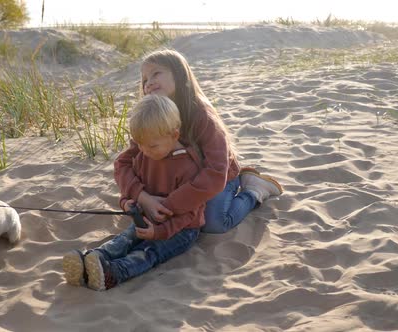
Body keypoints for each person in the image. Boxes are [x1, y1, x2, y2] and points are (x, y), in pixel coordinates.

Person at [114, 49, 283, 234]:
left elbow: (216, 172)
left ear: (179, 75)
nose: (149, 82)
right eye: (145, 79)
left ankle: (253, 190)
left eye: (156, 73)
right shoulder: (151, 117)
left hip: (218, 179)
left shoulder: (202, 116)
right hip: (179, 181)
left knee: (214, 224)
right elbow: (122, 163)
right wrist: (143, 197)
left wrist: (170, 205)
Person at [63, 94, 205, 291]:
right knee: (125, 239)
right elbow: (134, 189)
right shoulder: (144, 155)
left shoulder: (188, 167)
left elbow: (191, 213)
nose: (144, 151)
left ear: (174, 135)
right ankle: (92, 260)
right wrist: (127, 203)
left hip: (182, 230)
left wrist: (160, 231)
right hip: (146, 219)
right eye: (139, 144)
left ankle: (115, 273)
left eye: (152, 145)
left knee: (149, 251)